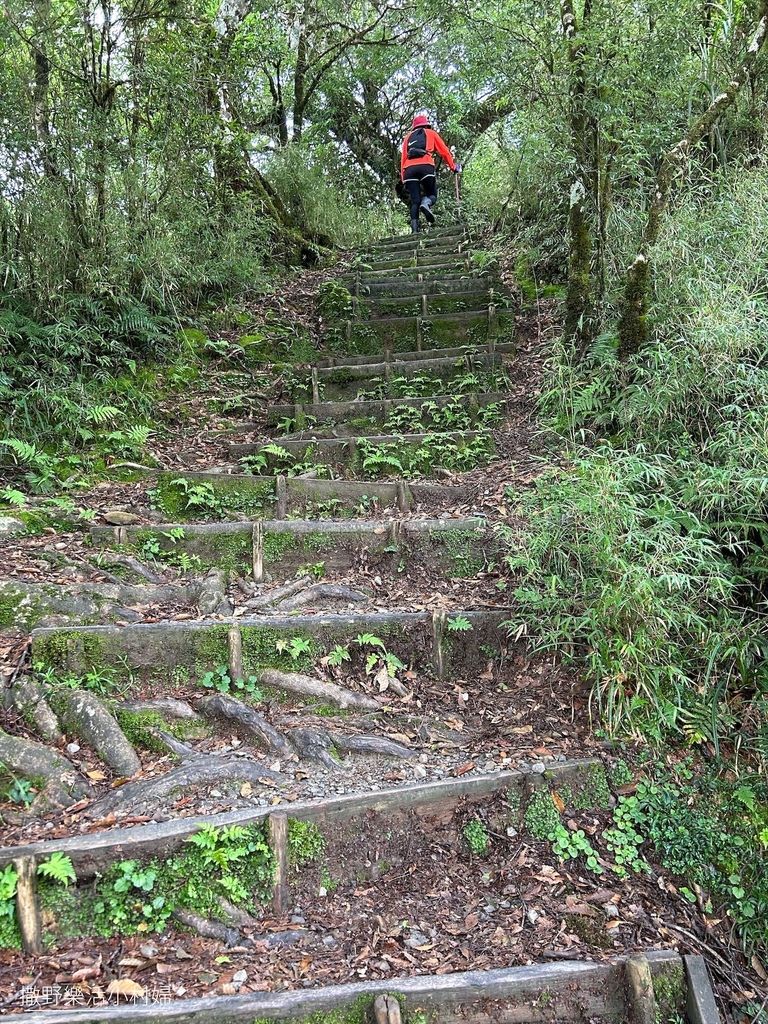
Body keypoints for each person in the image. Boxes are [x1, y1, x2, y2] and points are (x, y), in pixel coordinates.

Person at [400, 114, 458, 234]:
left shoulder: (407, 138)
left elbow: (403, 158)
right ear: (426, 124)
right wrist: (453, 167)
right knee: (432, 194)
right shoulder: (431, 133)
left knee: (415, 201)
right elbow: (444, 151)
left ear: (414, 127)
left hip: (409, 170)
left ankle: (415, 231)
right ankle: (426, 203)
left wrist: (403, 178)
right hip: (425, 166)